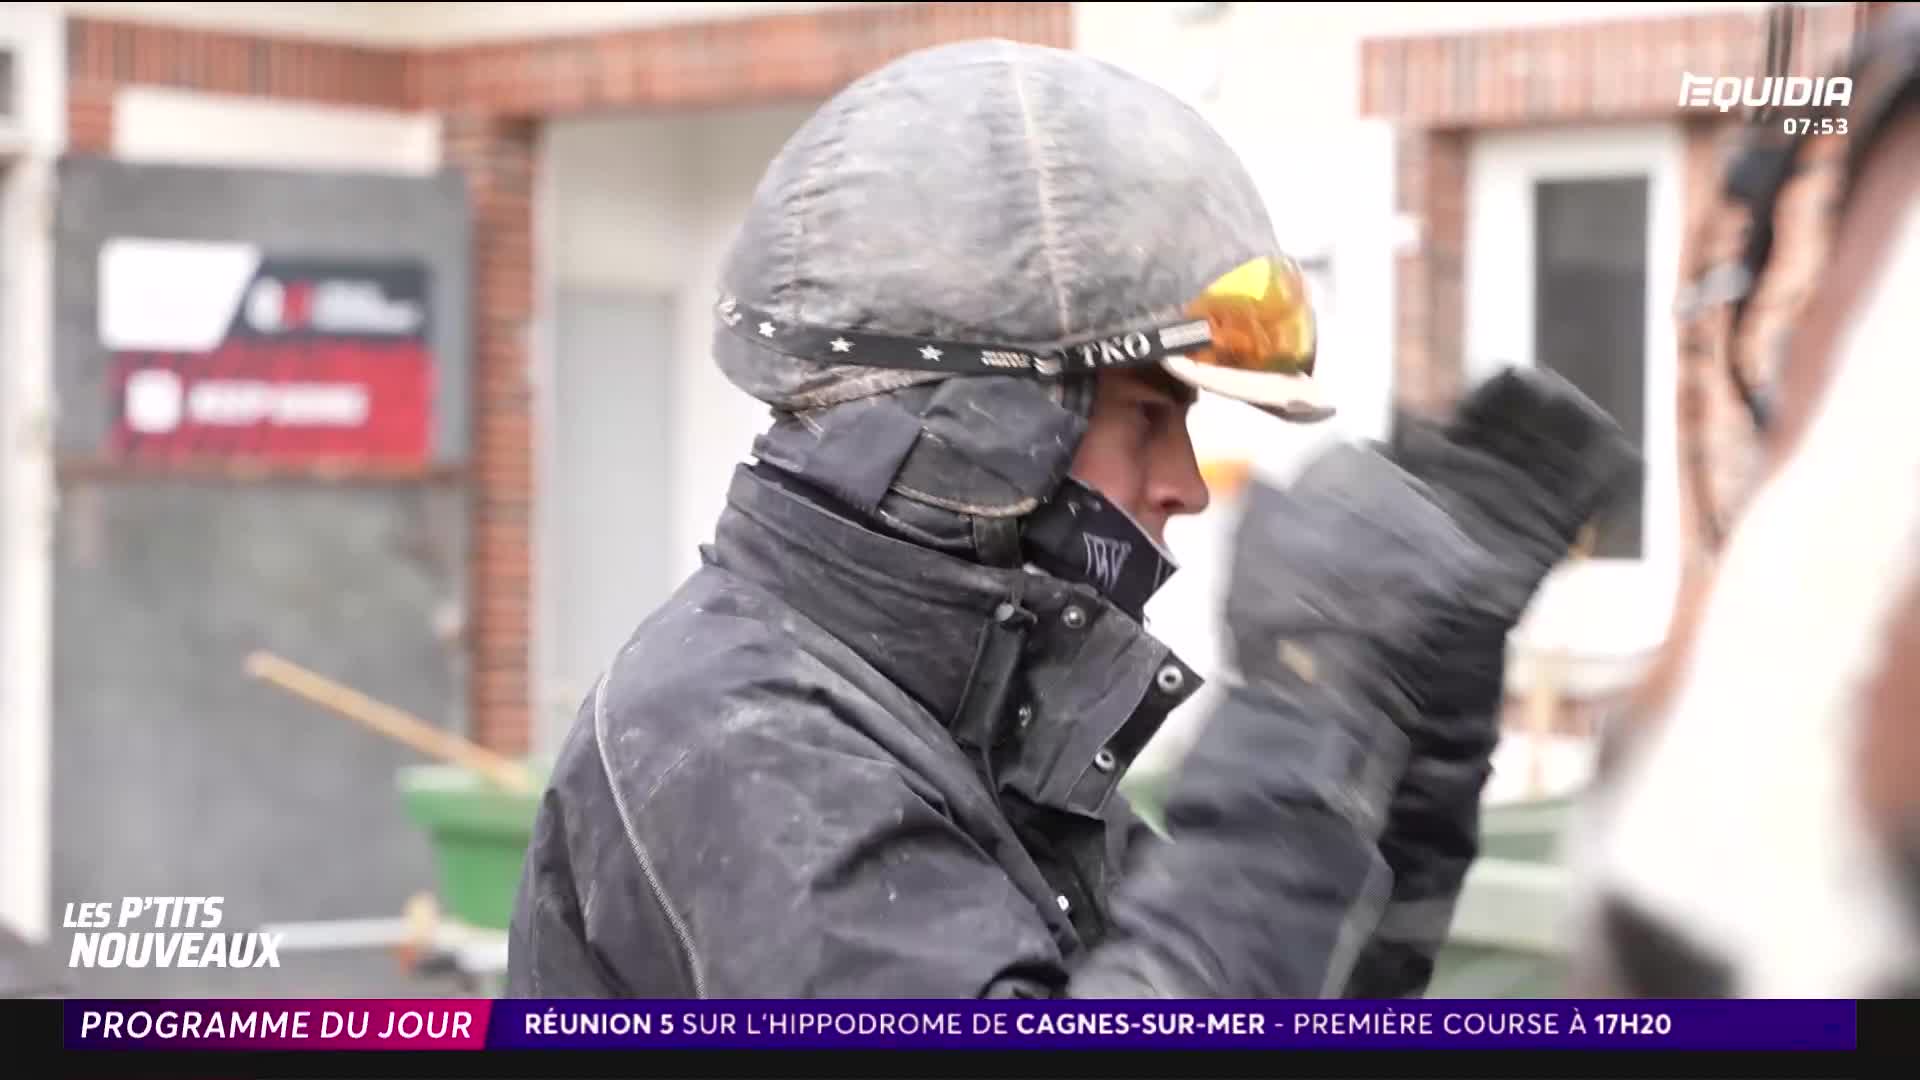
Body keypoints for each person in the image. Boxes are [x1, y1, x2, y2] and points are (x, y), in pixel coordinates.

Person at [506, 39, 1638, 999]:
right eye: (1149, 419)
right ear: (974, 427)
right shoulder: (733, 742)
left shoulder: (979, 734)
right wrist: (1298, 715)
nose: (1187, 484)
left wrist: (1407, 738)